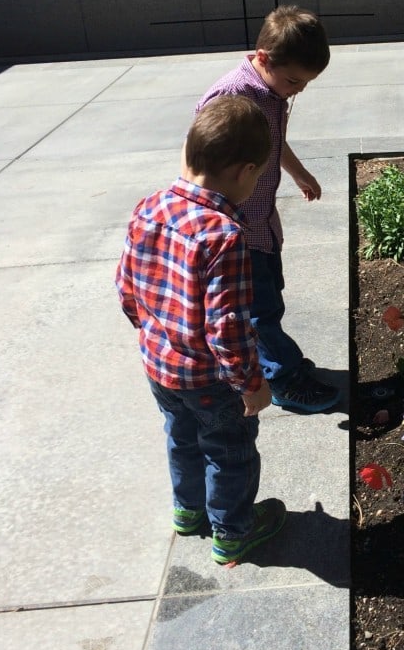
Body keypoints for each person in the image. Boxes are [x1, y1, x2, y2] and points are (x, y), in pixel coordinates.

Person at [115, 95, 286, 566]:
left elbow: (126, 287)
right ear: (245, 172)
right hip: (210, 379)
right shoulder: (223, 236)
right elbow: (227, 328)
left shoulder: (148, 207)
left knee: (181, 436)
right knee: (229, 450)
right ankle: (232, 532)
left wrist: (152, 333)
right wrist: (251, 384)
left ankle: (188, 512)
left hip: (158, 365)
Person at [194, 4, 340, 414]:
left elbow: (273, 144)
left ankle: (276, 361)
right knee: (258, 311)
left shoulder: (272, 92)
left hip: (261, 224)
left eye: (306, 83)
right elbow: (203, 162)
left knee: (269, 299)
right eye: (294, 80)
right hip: (237, 232)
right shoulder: (232, 98)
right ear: (263, 58)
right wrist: (216, 224)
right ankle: (282, 376)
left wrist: (298, 173)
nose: (298, 89)